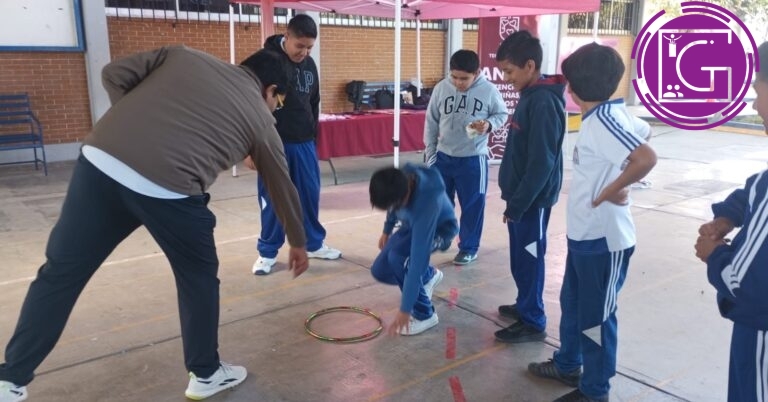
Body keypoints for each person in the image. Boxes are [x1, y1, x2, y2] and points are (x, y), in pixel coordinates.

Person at [0, 46, 309, 402]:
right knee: (198, 279)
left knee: (60, 274)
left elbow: (112, 74)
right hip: (171, 190)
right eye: (277, 101)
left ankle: (11, 379)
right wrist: (297, 241)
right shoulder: (260, 118)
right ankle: (205, 374)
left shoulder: (184, 56)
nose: (275, 108)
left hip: (101, 161)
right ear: (270, 90)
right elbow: (281, 184)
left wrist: (137, 125)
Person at [527, 43, 657, 402]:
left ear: (571, 88)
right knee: (573, 305)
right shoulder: (609, 116)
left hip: (605, 240)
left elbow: (646, 156)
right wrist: (623, 180)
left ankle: (595, 390)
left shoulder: (603, 122)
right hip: (583, 237)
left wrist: (615, 188)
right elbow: (644, 132)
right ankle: (569, 364)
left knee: (597, 320)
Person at [694, 41, 768, 402]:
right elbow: (756, 186)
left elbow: (744, 281)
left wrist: (713, 254)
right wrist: (728, 215)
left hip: (761, 332)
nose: (755, 105)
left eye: (758, 90)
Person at [246, 14, 341, 276]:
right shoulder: (265, 62)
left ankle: (313, 243)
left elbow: (314, 102)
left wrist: (314, 136)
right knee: (274, 198)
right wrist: (249, 148)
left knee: (309, 196)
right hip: (273, 143)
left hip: (304, 142)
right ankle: (267, 252)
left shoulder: (309, 64)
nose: (305, 52)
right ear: (286, 37)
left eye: (310, 47)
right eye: (300, 46)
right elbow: (249, 107)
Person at [492, 30, 566, 343]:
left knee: (530, 257)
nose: (506, 79)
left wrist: (519, 204)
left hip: (531, 203)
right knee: (521, 257)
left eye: (509, 72)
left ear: (530, 66)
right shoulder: (530, 96)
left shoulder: (544, 104)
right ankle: (525, 303)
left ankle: (533, 319)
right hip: (522, 199)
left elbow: (541, 163)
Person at [423, 49, 509, 266]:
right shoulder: (442, 88)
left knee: (472, 205)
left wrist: (489, 125)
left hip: (473, 159)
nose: (459, 83)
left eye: (464, 78)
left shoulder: (489, 90)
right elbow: (431, 121)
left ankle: (469, 247)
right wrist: (430, 152)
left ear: (477, 73)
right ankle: (443, 235)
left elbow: (502, 114)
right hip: (443, 157)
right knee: (440, 202)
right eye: (455, 77)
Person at [369, 164, 459, 336]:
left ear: (406, 194)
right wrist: (387, 230)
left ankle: (425, 314)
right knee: (379, 270)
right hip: (410, 226)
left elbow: (418, 261)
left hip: (439, 231)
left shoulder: (427, 202)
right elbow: (392, 207)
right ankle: (429, 276)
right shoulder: (400, 178)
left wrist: (405, 308)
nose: (393, 209)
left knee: (400, 259)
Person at [629, 116, 653, 189]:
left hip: (642, 132)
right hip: (639, 128)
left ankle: (635, 180)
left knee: (627, 159)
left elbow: (649, 159)